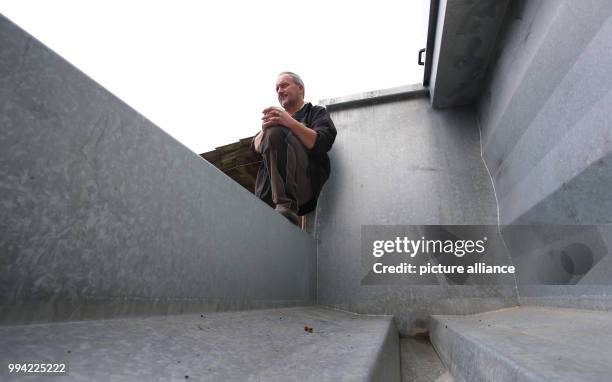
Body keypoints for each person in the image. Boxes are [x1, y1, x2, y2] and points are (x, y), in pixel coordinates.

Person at [252, 72, 336, 224]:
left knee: (276, 131)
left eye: (284, 85)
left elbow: (323, 142)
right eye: (277, 88)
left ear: (300, 88)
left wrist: (290, 122)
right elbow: (254, 148)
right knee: (272, 132)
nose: (279, 91)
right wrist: (264, 131)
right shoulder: (275, 120)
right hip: (266, 201)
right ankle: (267, 206)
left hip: (304, 189)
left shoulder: (316, 112)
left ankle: (286, 205)